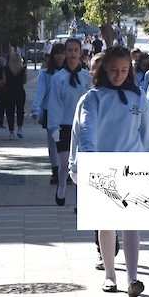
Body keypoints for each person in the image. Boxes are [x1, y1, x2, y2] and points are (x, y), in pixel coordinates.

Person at [69, 46, 149, 297]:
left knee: (132, 226)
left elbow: (147, 135)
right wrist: (86, 164)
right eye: (114, 70)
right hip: (103, 167)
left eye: (124, 70)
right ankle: (109, 274)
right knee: (106, 225)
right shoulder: (92, 98)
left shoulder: (138, 97)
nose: (119, 75)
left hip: (133, 167)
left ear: (130, 71)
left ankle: (133, 278)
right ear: (104, 70)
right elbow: (86, 133)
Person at [47, 38, 91, 206]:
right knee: (65, 164)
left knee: (83, 164)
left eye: (75, 50)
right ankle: (62, 185)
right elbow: (55, 103)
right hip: (65, 125)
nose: (72, 53)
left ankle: (81, 201)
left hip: (84, 126)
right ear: (65, 53)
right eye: (70, 50)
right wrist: (54, 126)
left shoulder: (87, 77)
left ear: (80, 52)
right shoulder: (58, 78)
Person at [32, 42, 66, 185]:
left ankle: (65, 170)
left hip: (67, 112)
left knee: (66, 143)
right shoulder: (46, 74)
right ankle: (55, 170)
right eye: (56, 53)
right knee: (53, 142)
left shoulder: (73, 74)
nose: (59, 56)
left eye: (62, 53)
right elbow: (40, 91)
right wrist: (36, 109)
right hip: (50, 110)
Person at [2, 50, 27, 139]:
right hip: (19, 91)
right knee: (20, 110)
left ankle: (11, 131)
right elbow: (25, 81)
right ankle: (19, 128)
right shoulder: (22, 69)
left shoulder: (7, 69)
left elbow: (4, 81)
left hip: (9, 91)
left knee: (10, 111)